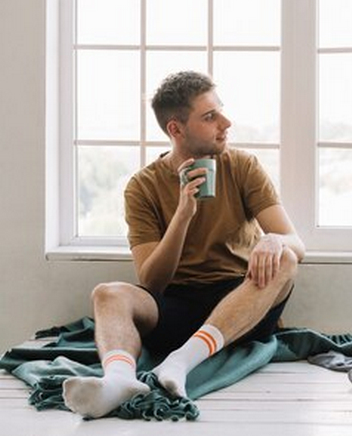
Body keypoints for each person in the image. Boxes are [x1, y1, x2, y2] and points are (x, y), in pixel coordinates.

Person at [63, 71, 306, 418]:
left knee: (286, 260)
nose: (226, 122)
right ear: (176, 129)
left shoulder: (242, 166)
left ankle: (181, 361)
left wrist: (275, 240)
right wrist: (183, 214)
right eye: (210, 117)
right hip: (179, 304)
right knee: (108, 294)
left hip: (243, 301)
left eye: (220, 111)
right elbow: (152, 282)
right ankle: (117, 381)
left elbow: (298, 244)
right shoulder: (142, 187)